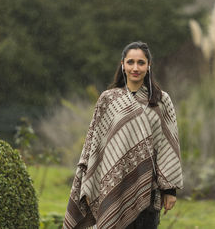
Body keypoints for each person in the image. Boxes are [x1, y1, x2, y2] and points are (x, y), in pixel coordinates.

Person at [63, 41, 183, 229]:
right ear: (123, 65)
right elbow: (93, 146)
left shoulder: (161, 100)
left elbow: (168, 145)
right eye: (130, 62)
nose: (135, 68)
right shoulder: (108, 99)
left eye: (141, 63)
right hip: (112, 188)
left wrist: (170, 190)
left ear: (149, 66)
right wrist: (87, 181)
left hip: (147, 191)